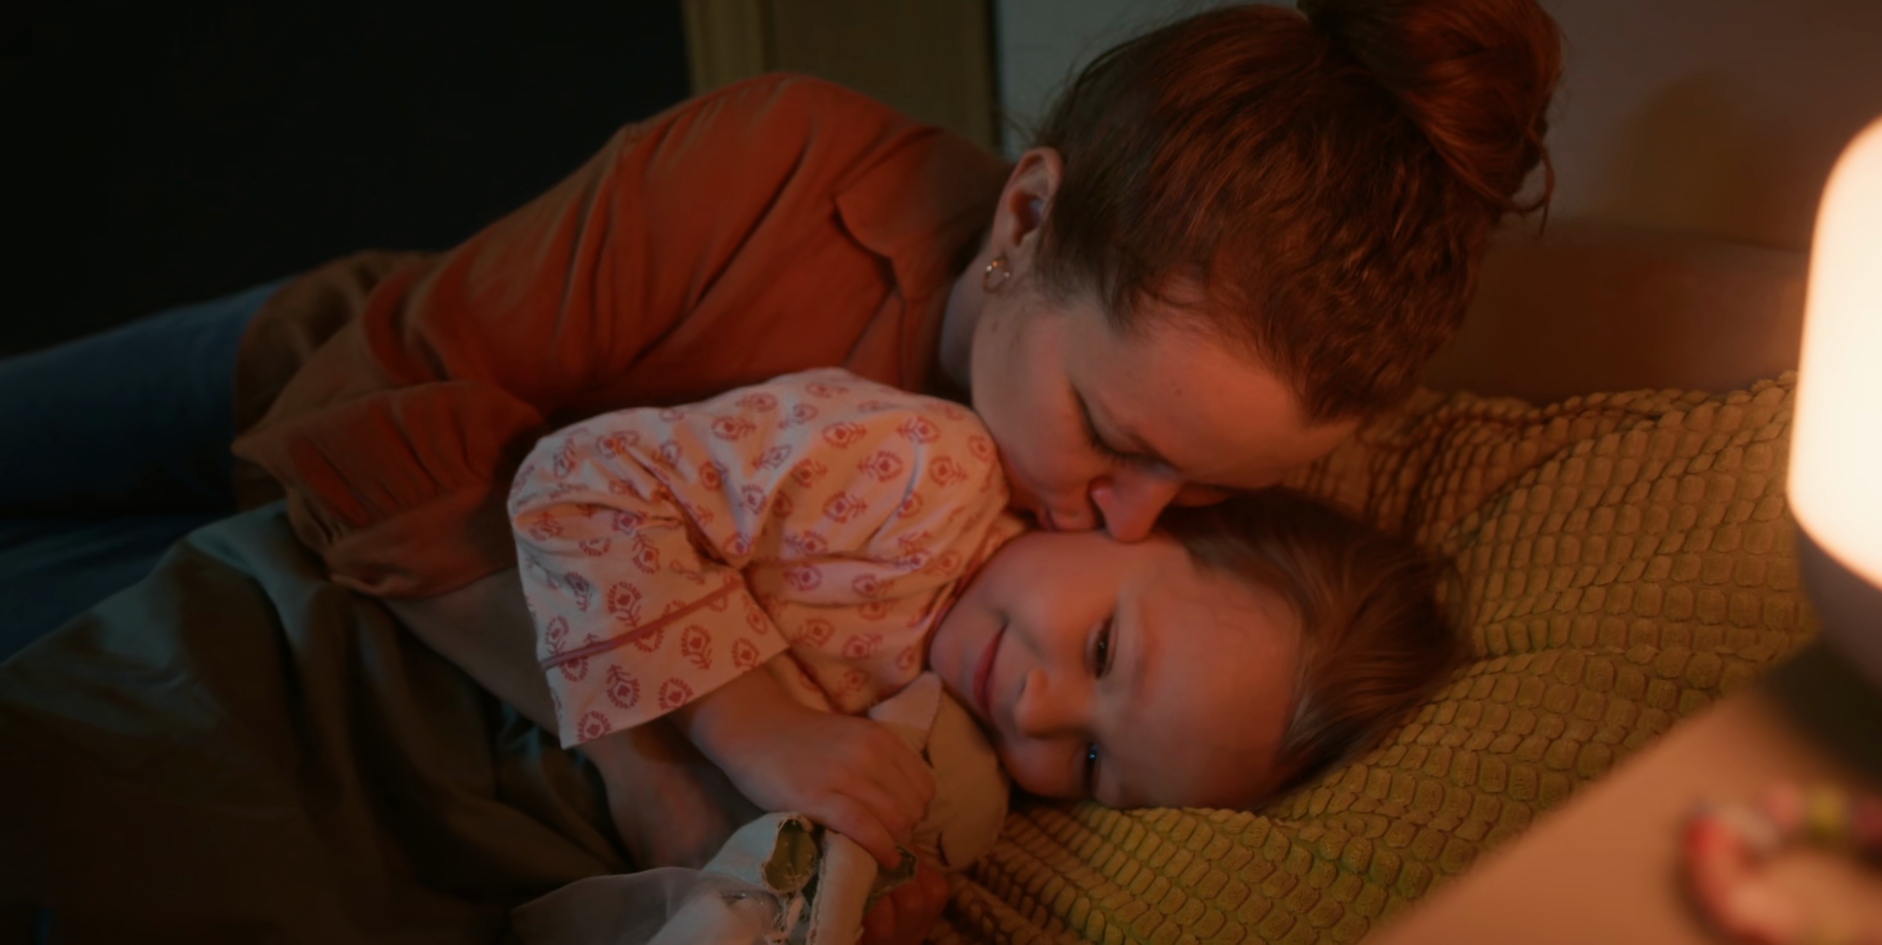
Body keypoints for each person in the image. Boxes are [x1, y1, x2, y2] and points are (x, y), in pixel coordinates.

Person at [0, 0, 1559, 943]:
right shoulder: (774, 177)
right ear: (1025, 219)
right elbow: (358, 440)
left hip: (417, 602)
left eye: (1202, 495)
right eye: (1111, 433)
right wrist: (680, 749)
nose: (1122, 516)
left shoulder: (1097, 562)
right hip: (358, 400)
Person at [507, 368, 1460, 875]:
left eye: (1093, 763)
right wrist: (752, 727)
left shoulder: (962, 743)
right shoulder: (923, 474)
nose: (1039, 713)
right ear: (1141, 520)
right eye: (1104, 651)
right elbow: (581, 481)